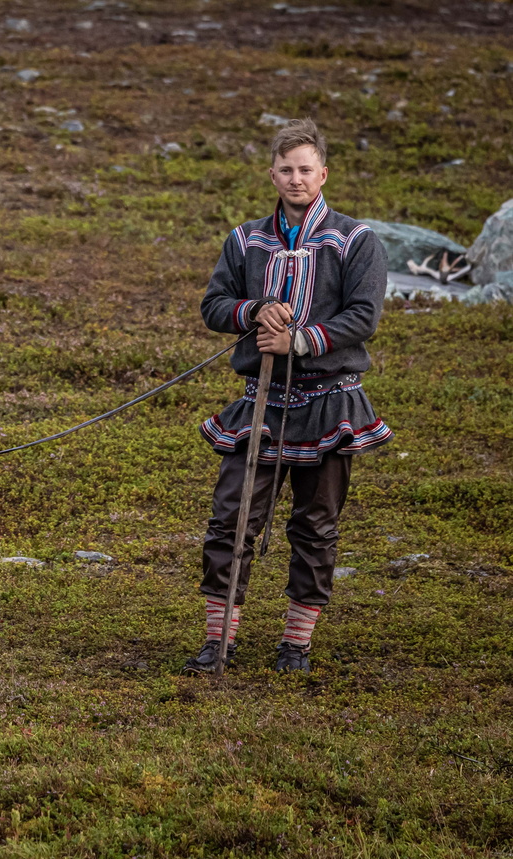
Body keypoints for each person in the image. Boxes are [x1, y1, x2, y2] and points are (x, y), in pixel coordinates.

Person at [182, 118, 392, 675]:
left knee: (315, 524)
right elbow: (213, 306)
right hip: (262, 400)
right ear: (271, 174)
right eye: (285, 169)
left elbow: (364, 316)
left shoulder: (356, 240)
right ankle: (217, 642)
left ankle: (295, 644)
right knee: (231, 520)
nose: (295, 179)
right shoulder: (245, 239)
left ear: (323, 174)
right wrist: (253, 311)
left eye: (305, 169)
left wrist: (300, 338)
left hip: (331, 400)